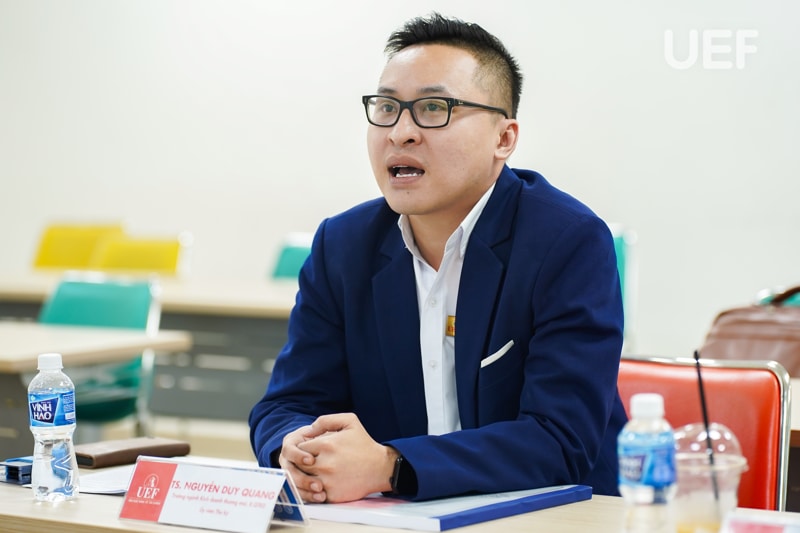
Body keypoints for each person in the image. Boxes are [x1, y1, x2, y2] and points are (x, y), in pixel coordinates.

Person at [249, 12, 627, 504]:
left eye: (433, 108)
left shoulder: (567, 242)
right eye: (387, 107)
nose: (400, 132)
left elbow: (559, 440)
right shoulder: (342, 246)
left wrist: (390, 466)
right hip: (392, 518)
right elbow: (286, 404)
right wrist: (294, 449)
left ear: (504, 139)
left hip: (549, 515)